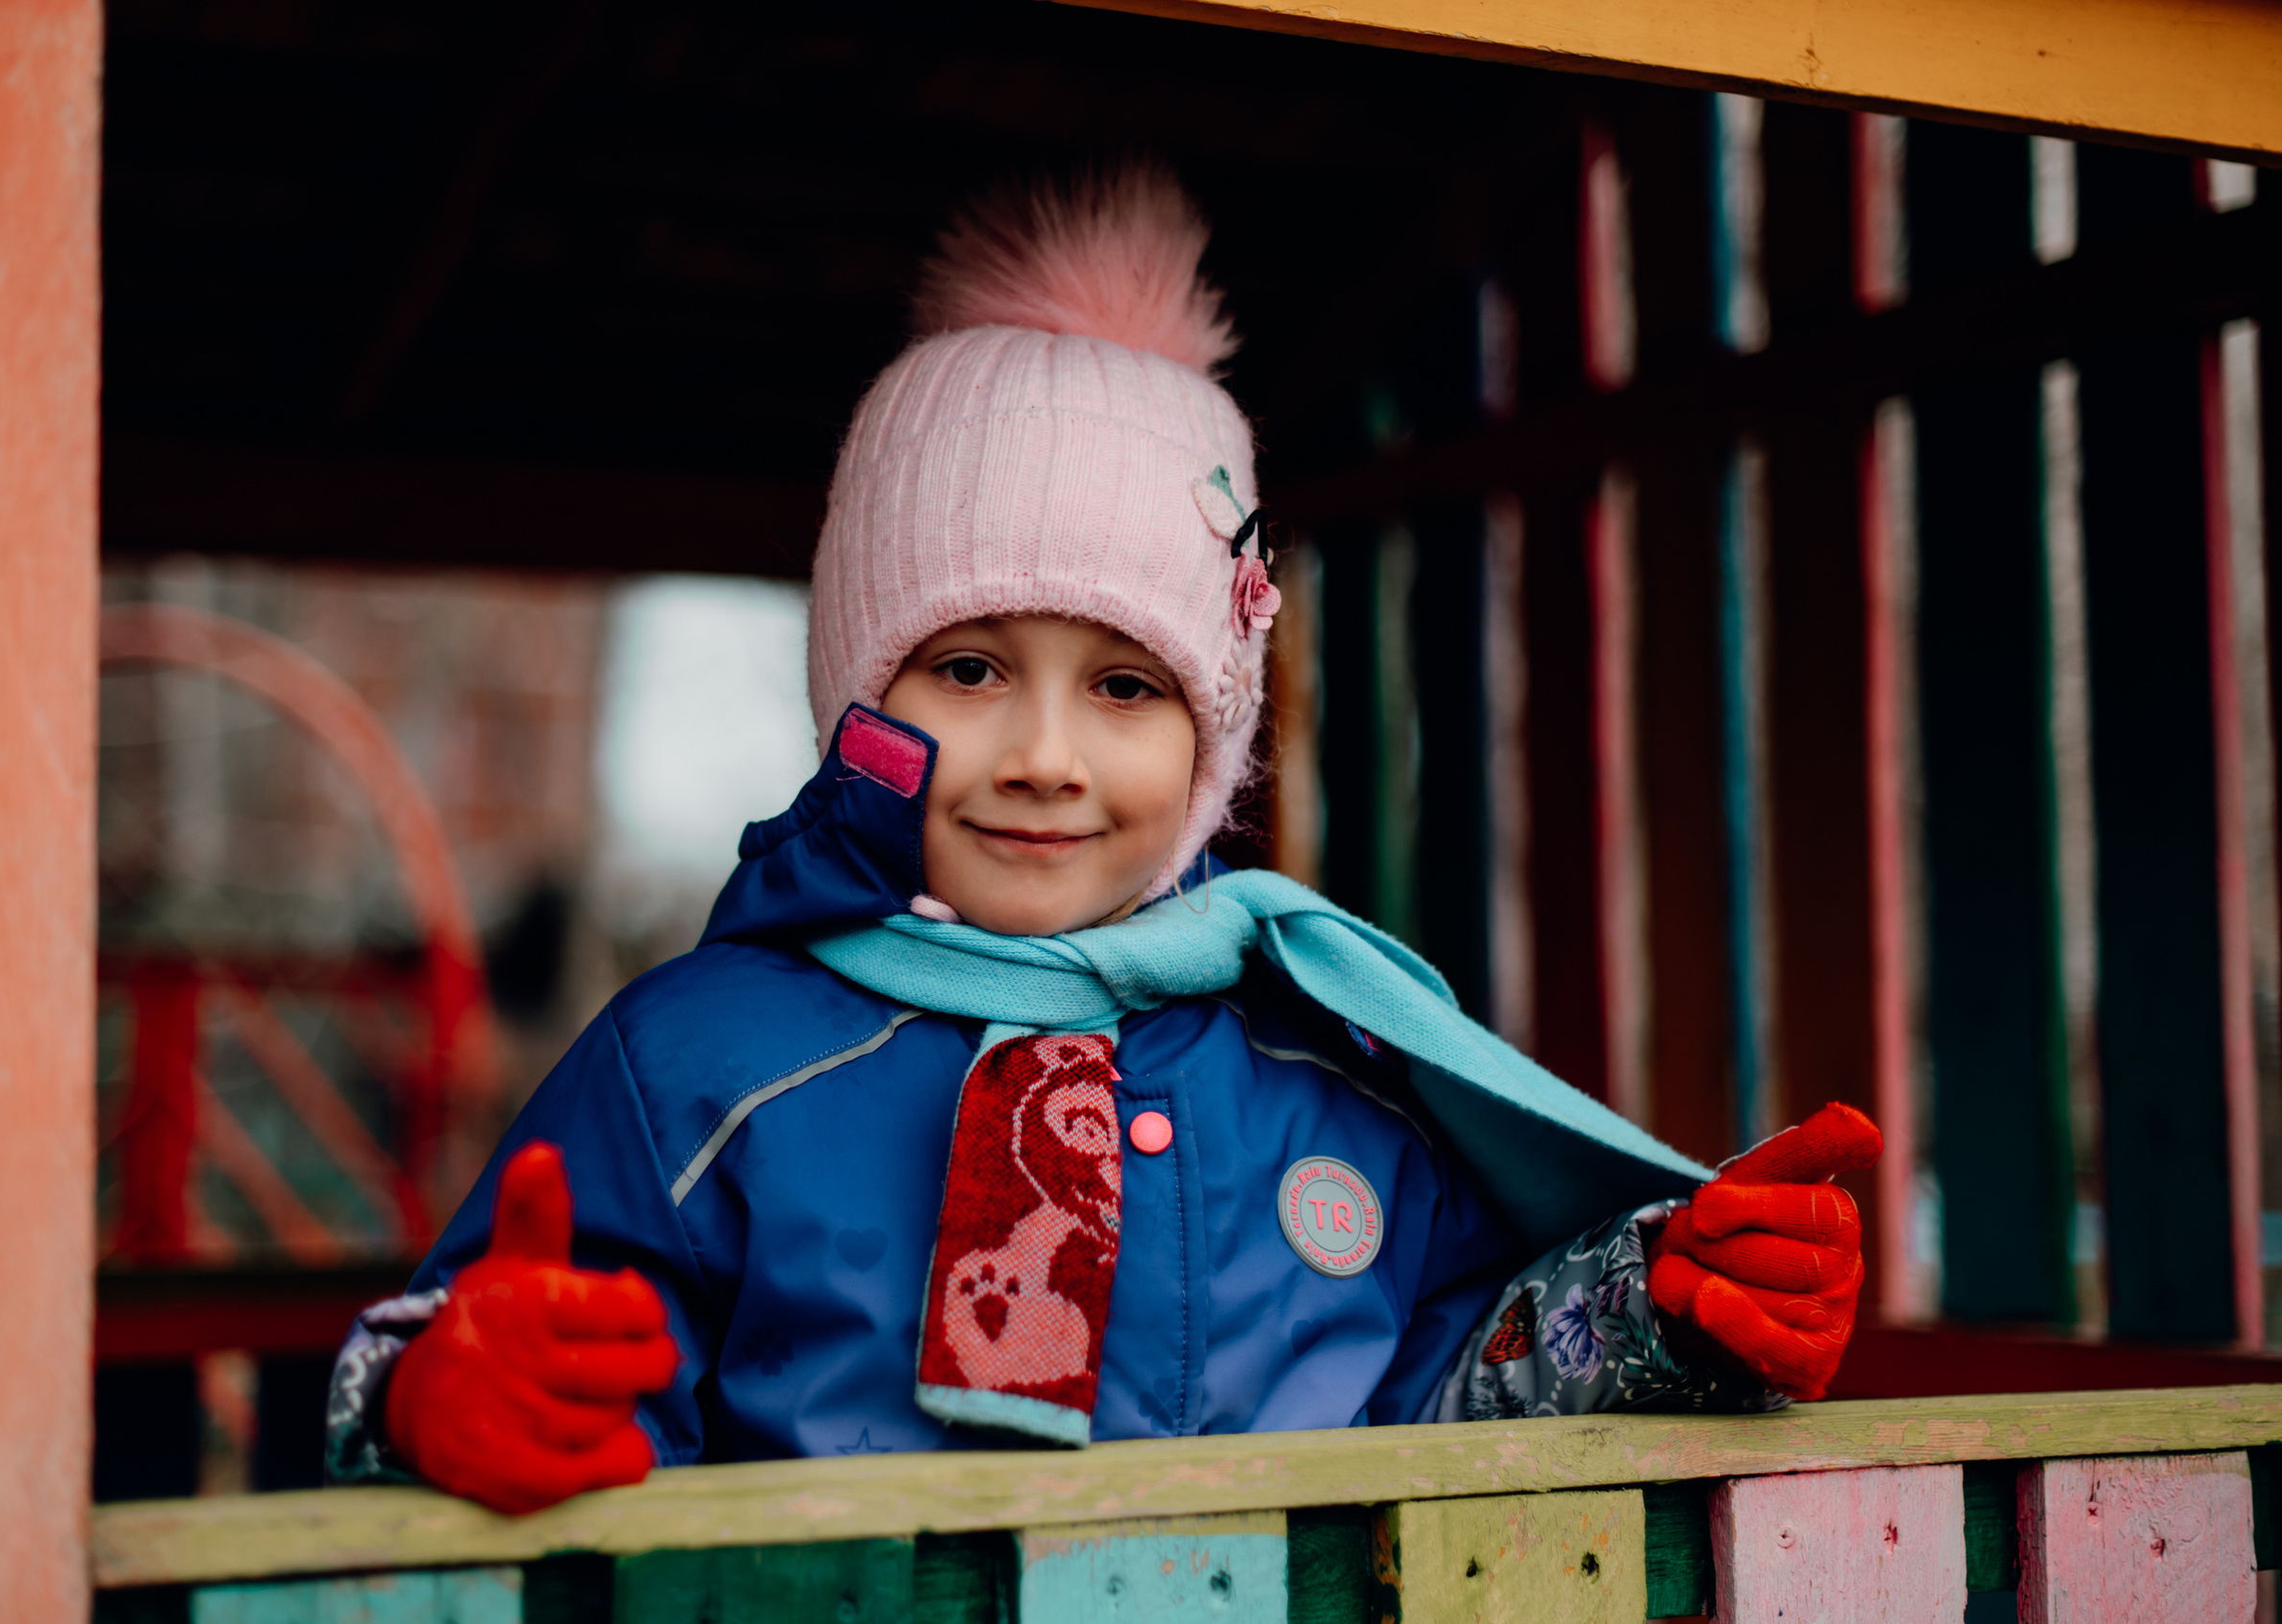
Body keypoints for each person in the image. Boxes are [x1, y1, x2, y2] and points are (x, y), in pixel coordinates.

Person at [324, 165, 1879, 1516]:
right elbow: (508, 1362)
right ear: (859, 696)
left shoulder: (1338, 1069)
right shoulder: (696, 1067)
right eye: (971, 668)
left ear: (1215, 736)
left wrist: (1666, 1311)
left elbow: (1443, 1396)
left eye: (1126, 686)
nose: (1047, 758)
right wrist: (437, 1400)